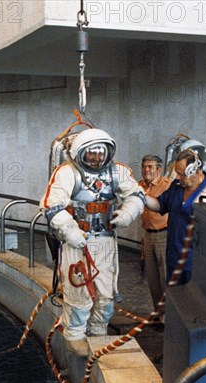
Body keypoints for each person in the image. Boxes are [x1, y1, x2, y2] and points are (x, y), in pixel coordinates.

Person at [40, 128, 145, 356]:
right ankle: (74, 334)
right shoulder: (67, 173)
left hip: (106, 240)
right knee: (79, 290)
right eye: (92, 154)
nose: (97, 158)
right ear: (80, 153)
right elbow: (51, 206)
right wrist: (71, 231)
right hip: (77, 242)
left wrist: (127, 213)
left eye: (101, 153)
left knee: (106, 292)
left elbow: (137, 194)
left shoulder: (117, 172)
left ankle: (98, 329)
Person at [145, 149, 206, 285]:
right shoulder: (176, 187)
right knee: (174, 300)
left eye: (181, 174)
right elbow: (160, 205)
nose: (177, 177)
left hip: (196, 264)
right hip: (174, 258)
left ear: (195, 171)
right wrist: (141, 197)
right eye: (176, 173)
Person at [138, 155, 171, 310]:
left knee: (165, 276)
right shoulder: (138, 186)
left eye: (150, 166)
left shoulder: (168, 185)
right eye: (144, 166)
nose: (146, 170)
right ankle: (157, 314)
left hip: (164, 235)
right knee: (152, 278)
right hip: (148, 235)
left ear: (159, 169)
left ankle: (167, 317)